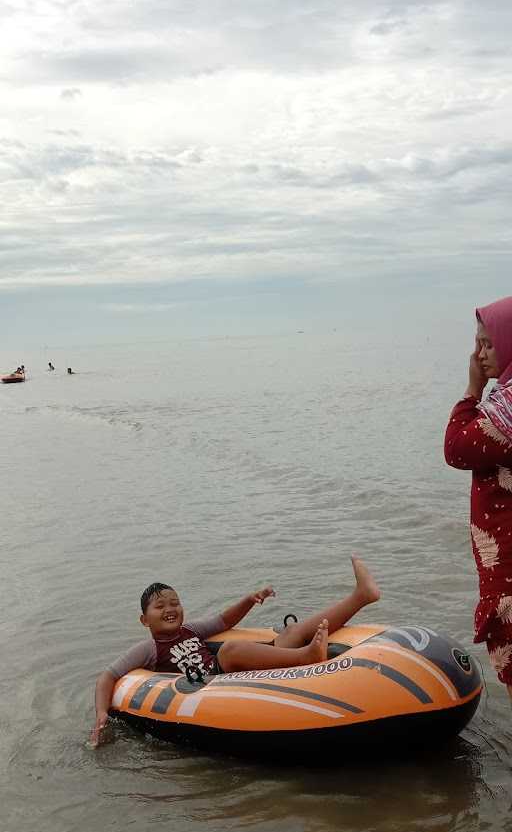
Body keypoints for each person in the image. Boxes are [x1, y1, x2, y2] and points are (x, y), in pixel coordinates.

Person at [90, 556, 380, 746]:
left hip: (239, 672)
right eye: (160, 606)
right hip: (216, 684)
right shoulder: (149, 648)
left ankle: (360, 597)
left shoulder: (192, 629)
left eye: (174, 602)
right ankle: (306, 656)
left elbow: (225, 620)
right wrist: (102, 713)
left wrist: (249, 600)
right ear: (145, 619)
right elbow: (108, 676)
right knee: (228, 651)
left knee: (290, 632)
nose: (170, 609)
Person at [444, 294, 512, 699]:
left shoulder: (508, 413)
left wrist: (472, 389)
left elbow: (456, 448)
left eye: (488, 343)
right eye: (477, 343)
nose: (479, 354)